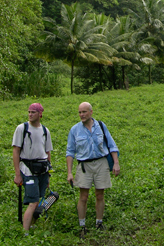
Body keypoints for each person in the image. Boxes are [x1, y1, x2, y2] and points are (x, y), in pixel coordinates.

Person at [66, 102, 120, 239]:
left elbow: (112, 145)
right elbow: (70, 152)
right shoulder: (75, 130)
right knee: (83, 197)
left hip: (101, 163)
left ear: (91, 112)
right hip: (84, 165)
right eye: (79, 112)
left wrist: (116, 163)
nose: (81, 115)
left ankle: (99, 222)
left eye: (84, 112)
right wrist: (69, 172)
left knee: (100, 195)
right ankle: (82, 225)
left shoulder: (101, 126)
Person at [12, 103, 53, 235]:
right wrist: (17, 174)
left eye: (33, 112)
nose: (30, 114)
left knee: (40, 198)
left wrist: (48, 175)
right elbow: (16, 151)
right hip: (28, 170)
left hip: (42, 169)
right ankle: (25, 232)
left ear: (40, 114)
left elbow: (48, 153)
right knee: (33, 201)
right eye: (29, 112)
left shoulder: (45, 131)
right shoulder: (21, 128)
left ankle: (31, 225)